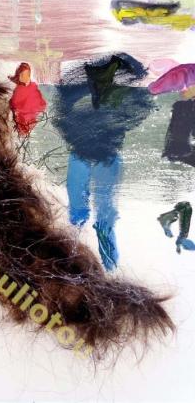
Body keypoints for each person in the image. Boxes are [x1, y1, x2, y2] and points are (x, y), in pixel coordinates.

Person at [53, 53, 152, 270]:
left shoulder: (118, 93)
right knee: (82, 213)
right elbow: (62, 115)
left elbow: (139, 109)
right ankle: (84, 261)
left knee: (99, 215)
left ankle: (107, 266)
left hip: (103, 156)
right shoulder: (79, 89)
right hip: (89, 154)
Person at [8, 62, 47, 137]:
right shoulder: (17, 90)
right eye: (22, 75)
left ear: (29, 75)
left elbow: (41, 102)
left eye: (27, 75)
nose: (25, 77)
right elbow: (13, 104)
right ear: (18, 75)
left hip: (31, 117)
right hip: (21, 118)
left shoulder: (33, 86)